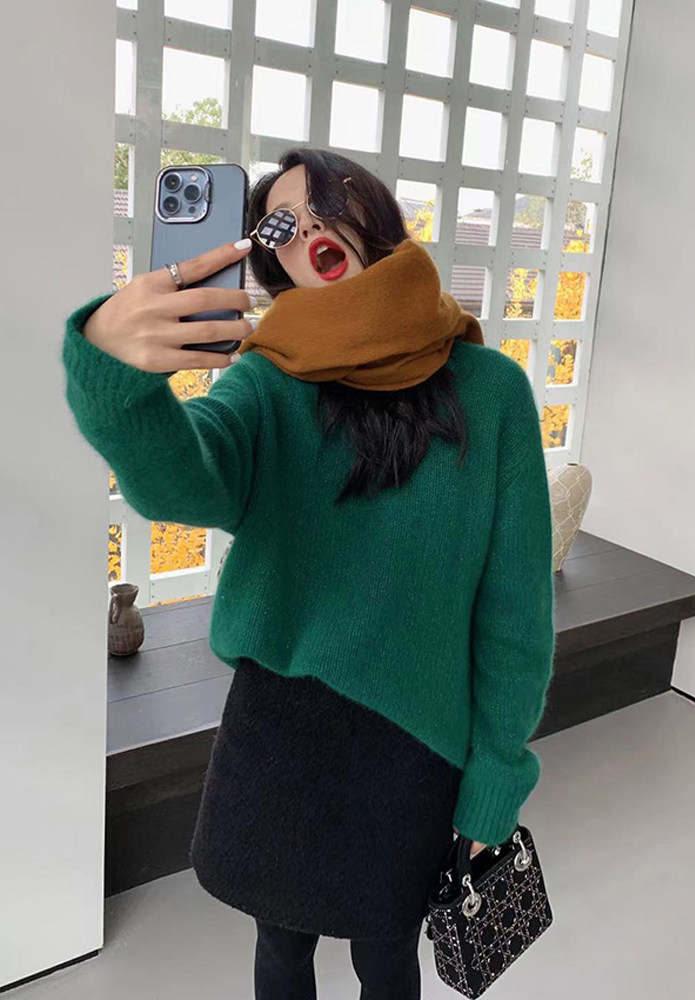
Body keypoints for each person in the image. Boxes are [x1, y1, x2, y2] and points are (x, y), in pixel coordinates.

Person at [60, 147, 555, 999]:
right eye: (280, 226)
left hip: (415, 743)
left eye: (326, 201)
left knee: (386, 956)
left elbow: (515, 614)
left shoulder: (492, 391)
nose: (306, 230)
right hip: (279, 732)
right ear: (271, 263)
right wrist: (116, 376)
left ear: (375, 212)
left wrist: (496, 780)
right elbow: (185, 479)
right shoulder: (267, 382)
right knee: (280, 949)